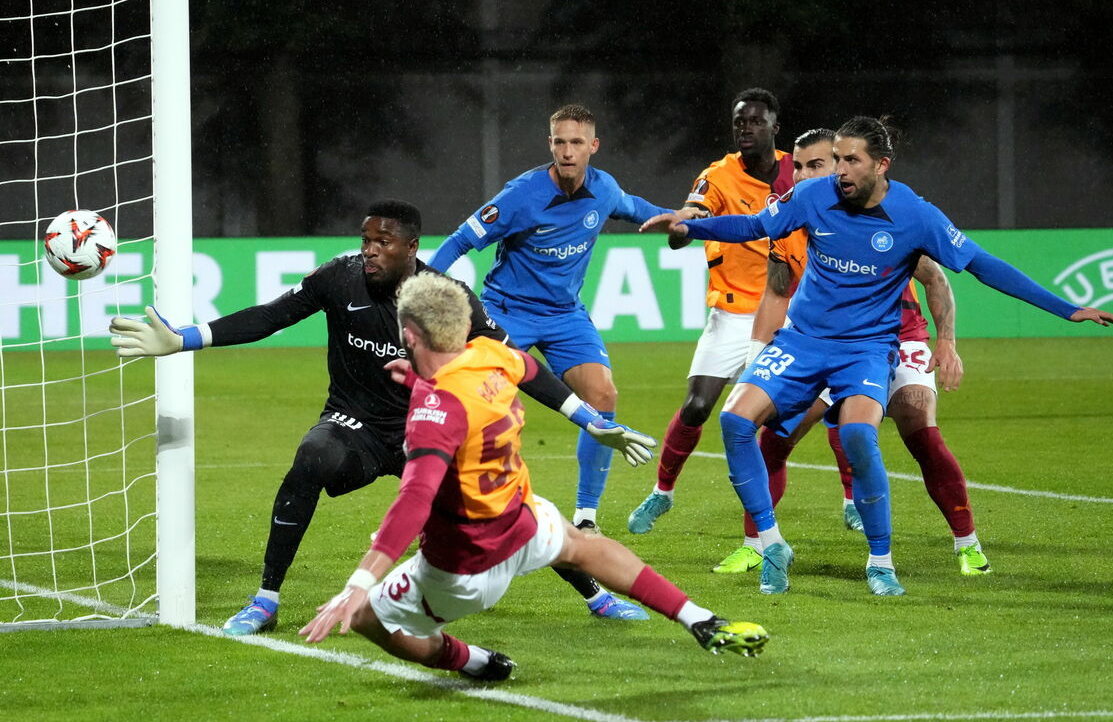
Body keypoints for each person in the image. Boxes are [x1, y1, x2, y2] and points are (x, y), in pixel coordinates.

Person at [107, 200, 655, 634]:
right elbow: (271, 317)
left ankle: (597, 595)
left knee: (513, 506)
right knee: (312, 456)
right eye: (365, 239)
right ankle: (266, 600)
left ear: (412, 248)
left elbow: (518, 366)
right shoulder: (338, 278)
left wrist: (588, 418)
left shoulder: (447, 299)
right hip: (357, 427)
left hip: (432, 430)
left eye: (382, 241)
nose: (368, 250)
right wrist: (185, 339)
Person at [640, 116, 1113, 597]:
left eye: (852, 160)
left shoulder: (916, 216)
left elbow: (981, 264)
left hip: (865, 350)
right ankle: (771, 544)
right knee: (735, 421)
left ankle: (881, 562)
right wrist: (693, 224)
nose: (841, 171)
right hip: (802, 341)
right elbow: (753, 223)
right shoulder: (812, 196)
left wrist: (1068, 309)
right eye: (839, 160)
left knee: (857, 435)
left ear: (881, 165)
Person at [298, 272, 768, 679]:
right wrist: (591, 420)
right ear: (462, 327)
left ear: (410, 335)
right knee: (581, 546)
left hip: (462, 566)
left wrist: (358, 582)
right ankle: (699, 618)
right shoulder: (489, 352)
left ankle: (470, 662)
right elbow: (529, 369)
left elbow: (415, 498)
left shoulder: (436, 407)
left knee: (362, 616)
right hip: (520, 523)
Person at [429, 104, 681, 534]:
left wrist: (679, 221)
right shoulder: (520, 196)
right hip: (507, 314)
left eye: (576, 142)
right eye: (560, 142)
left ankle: (585, 518)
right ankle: (441, 512)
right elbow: (458, 241)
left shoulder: (603, 190)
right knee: (475, 406)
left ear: (593, 146)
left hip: (565, 316)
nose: (567, 151)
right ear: (550, 144)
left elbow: (636, 207)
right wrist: (425, 293)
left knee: (602, 395)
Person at [755, 127, 992, 576]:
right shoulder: (800, 216)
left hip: (898, 338)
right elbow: (778, 291)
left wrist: (947, 341)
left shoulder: (891, 214)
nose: (807, 175)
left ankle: (967, 542)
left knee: (919, 428)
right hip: (829, 344)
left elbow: (936, 278)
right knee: (775, 435)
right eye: (799, 167)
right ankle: (758, 543)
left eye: (819, 166)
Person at [625, 88, 799, 577]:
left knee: (769, 430)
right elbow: (695, 211)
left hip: (784, 315)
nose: (746, 128)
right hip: (729, 314)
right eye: (740, 121)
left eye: (756, 121)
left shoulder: (797, 171)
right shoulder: (717, 174)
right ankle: (662, 493)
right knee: (698, 406)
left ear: (774, 126)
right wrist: (681, 226)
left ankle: (756, 541)